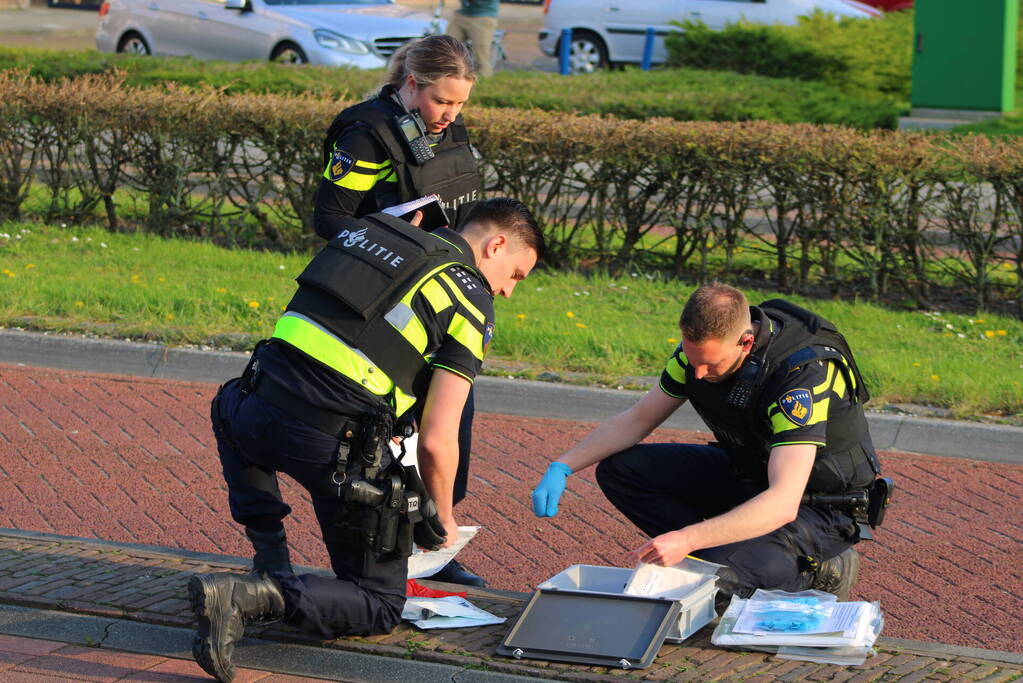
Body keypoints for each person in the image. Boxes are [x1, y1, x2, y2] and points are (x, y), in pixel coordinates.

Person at [190, 198, 543, 683]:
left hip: (245, 409)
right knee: (378, 603)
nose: (507, 291)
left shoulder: (373, 234)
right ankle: (253, 598)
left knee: (248, 418)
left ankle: (268, 568)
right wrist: (443, 517)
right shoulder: (470, 297)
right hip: (329, 447)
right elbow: (440, 438)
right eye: (516, 275)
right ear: (496, 245)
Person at [531, 283, 886, 602]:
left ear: (746, 342)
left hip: (820, 506)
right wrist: (562, 465)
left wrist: (687, 538)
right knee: (621, 470)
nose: (698, 374)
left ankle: (819, 570)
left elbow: (782, 501)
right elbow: (638, 420)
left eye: (710, 365)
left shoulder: (800, 377)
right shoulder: (697, 355)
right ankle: (721, 548)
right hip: (752, 476)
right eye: (693, 359)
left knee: (709, 587)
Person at [313, 33, 487, 586]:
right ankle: (388, 558)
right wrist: (392, 232)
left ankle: (434, 546)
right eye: (442, 101)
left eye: (460, 104)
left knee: (451, 424)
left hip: (439, 297)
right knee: (393, 430)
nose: (451, 114)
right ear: (412, 84)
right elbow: (329, 220)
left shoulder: (441, 125)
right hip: (382, 304)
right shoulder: (365, 133)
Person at [446, 0, 500, 78]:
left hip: (483, 16)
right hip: (462, 14)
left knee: (481, 54)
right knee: (447, 46)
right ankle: (447, 76)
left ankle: (485, 79)